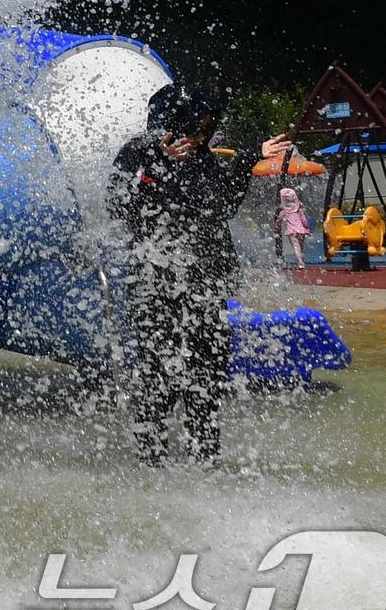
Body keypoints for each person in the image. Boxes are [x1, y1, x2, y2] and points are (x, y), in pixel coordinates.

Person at [108, 83, 291, 466]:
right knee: (157, 377)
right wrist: (158, 169)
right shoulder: (137, 152)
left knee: (206, 378)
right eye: (198, 126)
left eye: (207, 128)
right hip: (155, 288)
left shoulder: (201, 158)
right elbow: (120, 210)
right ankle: (152, 462)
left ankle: (204, 461)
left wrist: (247, 161)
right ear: (174, 121)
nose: (202, 135)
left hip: (205, 285)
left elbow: (220, 209)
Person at [275, 187, 311, 268]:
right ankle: (301, 260)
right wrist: (307, 227)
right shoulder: (299, 211)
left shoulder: (283, 212)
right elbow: (304, 221)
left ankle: (300, 262)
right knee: (300, 247)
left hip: (292, 232)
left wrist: (277, 228)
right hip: (302, 231)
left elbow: (278, 221)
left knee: (295, 246)